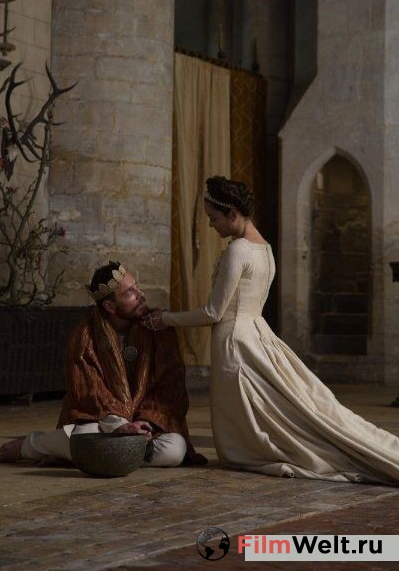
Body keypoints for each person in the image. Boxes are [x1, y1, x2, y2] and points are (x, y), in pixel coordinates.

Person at [142, 175, 399, 485]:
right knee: (280, 412)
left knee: (250, 436)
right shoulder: (265, 248)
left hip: (235, 343)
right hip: (256, 334)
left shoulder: (239, 250)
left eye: (214, 218)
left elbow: (213, 312)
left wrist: (165, 318)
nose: (211, 225)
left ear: (232, 213)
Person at [0, 261, 205, 468]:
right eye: (129, 293)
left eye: (137, 286)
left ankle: (88, 454)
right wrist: (120, 426)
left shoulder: (159, 329)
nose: (140, 295)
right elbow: (89, 392)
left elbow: (169, 387)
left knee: (175, 449)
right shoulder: (84, 337)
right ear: (109, 306)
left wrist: (145, 424)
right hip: (104, 425)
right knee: (85, 434)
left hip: (147, 428)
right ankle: (30, 446)